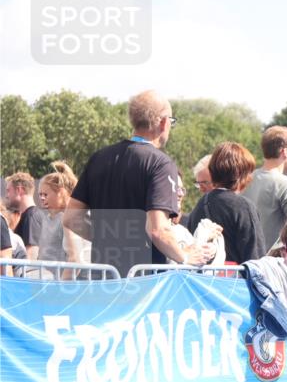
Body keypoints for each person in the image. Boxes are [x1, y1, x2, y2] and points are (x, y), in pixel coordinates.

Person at [64, 90, 211, 274]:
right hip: (144, 283)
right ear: (164, 122)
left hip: (104, 278)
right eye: (171, 122)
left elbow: (71, 218)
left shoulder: (98, 158)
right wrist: (185, 257)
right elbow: (159, 231)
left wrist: (108, 239)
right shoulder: (160, 164)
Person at [187, 142, 266, 264]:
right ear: (241, 174)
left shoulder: (199, 206)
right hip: (235, 281)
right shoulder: (244, 207)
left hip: (203, 281)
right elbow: (256, 258)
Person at [243, 126, 287, 249]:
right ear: (285, 151)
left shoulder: (243, 181)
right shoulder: (285, 184)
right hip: (270, 264)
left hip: (243, 264)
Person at [37, 162, 90, 279]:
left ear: (61, 193)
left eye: (45, 194)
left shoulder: (70, 218)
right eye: (40, 194)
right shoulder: (48, 218)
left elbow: (75, 260)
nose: (41, 198)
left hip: (74, 287)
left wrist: (60, 289)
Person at [4, 172, 43, 260]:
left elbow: (31, 254)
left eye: (8, 190)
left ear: (19, 190)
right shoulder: (30, 215)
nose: (7, 196)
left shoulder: (31, 216)